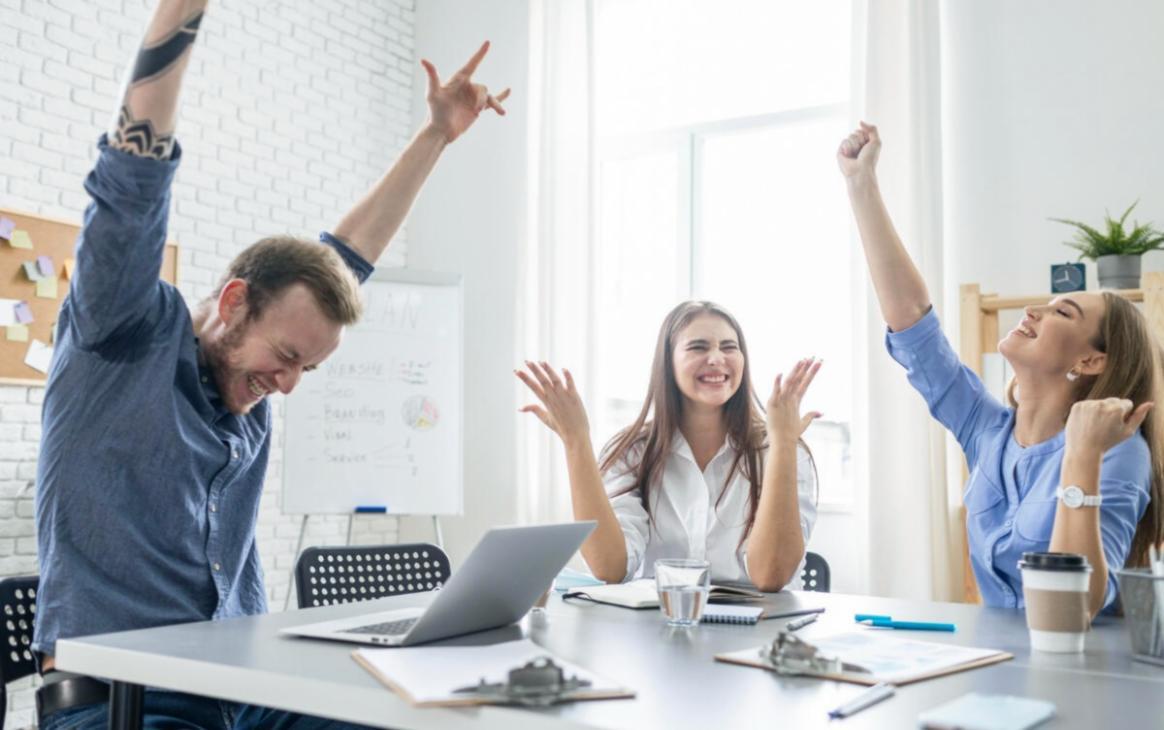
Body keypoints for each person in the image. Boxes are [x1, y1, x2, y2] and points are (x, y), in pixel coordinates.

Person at [32, 1, 508, 727]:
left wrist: (437, 136)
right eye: (285, 358)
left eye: (304, 372)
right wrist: (180, 14)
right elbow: (131, 184)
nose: (285, 385)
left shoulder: (252, 377)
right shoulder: (121, 333)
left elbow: (344, 260)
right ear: (232, 300)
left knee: (422, 719)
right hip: (118, 699)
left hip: (242, 688)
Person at [837, 121, 1163, 616]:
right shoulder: (987, 431)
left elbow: (1076, 607)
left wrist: (1081, 453)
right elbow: (912, 325)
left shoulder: (1117, 454)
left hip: (1087, 676)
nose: (1034, 311)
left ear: (1091, 360)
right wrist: (861, 185)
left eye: (1063, 312)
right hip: (1002, 665)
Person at [516, 301, 819, 591]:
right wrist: (576, 441)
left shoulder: (781, 448)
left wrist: (782, 445)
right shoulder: (632, 453)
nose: (716, 358)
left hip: (761, 632)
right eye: (698, 347)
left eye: (729, 347)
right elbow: (610, 567)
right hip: (662, 627)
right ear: (668, 363)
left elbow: (771, 575)